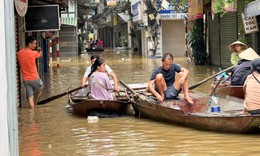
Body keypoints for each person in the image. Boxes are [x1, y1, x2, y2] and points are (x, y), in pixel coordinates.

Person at [17, 36, 43, 109]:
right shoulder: (33, 53)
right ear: (29, 44)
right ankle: (35, 104)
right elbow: (40, 54)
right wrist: (40, 49)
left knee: (30, 97)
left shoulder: (19, 53)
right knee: (41, 88)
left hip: (25, 79)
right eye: (34, 43)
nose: (35, 45)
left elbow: (19, 63)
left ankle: (32, 115)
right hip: (34, 78)